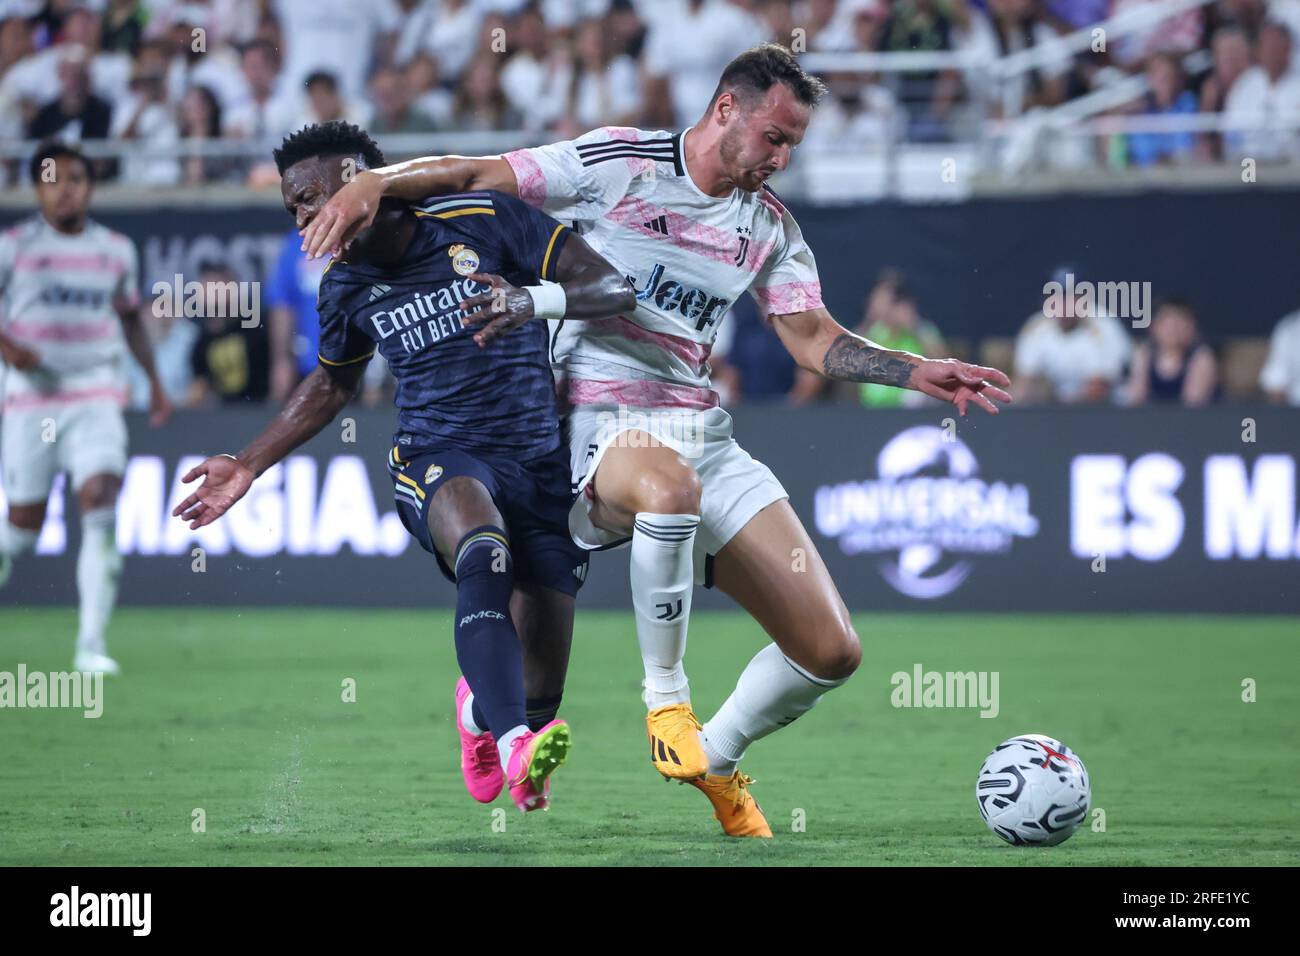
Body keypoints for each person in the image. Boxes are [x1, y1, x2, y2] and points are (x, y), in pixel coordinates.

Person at [301, 45, 1013, 838]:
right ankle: (666, 706)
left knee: (831, 651)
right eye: (774, 138)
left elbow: (811, 337)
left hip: (700, 430)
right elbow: (478, 173)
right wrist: (376, 181)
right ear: (724, 111)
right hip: (595, 424)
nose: (782, 159)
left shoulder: (768, 224)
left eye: (793, 146)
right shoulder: (619, 163)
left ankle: (710, 755)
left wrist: (913, 371)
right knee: (667, 489)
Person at [172, 121, 636, 813]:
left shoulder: (484, 219)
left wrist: (527, 299)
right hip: (436, 456)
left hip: (538, 461)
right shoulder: (344, 288)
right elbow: (332, 386)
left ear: (361, 180)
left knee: (539, 698)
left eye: (311, 197)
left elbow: (613, 289)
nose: (303, 215)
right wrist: (247, 464)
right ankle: (511, 743)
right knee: (483, 547)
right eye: (292, 207)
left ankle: (483, 718)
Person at [0, 141, 172, 673]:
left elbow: (127, 319)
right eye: (54, 180)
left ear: (90, 187)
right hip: (32, 400)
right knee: (22, 528)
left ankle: (91, 646)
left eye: (76, 179)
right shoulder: (13, 247)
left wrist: (154, 381)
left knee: (100, 503)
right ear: (37, 188)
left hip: (97, 391)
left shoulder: (115, 250)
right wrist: (9, 348)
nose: (66, 189)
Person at [1126, 297, 1217, 406]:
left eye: (1180, 324)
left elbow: (1194, 402)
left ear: (1192, 328)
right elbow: (1136, 399)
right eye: (1167, 324)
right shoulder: (1143, 355)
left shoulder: (1202, 357)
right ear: (1153, 326)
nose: (1173, 330)